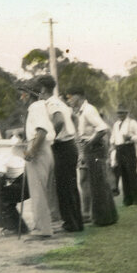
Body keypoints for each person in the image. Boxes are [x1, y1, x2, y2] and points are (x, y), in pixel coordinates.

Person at [64, 88, 118, 227]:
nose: (69, 100)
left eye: (70, 97)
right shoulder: (81, 112)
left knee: (98, 183)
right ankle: (103, 216)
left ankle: (103, 218)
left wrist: (90, 142)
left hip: (94, 149)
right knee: (92, 182)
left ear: (79, 96)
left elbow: (102, 128)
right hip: (89, 149)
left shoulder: (88, 110)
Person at [36, 75, 83, 232]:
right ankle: (75, 222)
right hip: (68, 145)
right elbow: (73, 118)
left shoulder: (51, 103)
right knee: (69, 186)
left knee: (65, 187)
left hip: (63, 147)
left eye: (39, 90)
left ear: (43, 89)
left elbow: (59, 121)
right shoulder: (59, 102)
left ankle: (71, 223)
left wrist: (51, 136)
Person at [17, 79, 56, 239]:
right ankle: (42, 226)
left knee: (38, 190)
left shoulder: (36, 107)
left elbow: (42, 131)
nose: (21, 98)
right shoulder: (39, 107)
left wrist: (32, 151)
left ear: (29, 94)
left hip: (39, 150)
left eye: (23, 94)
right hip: (41, 148)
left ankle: (43, 230)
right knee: (39, 190)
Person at [0, 138, 29, 235]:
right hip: (26, 179)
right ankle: (18, 226)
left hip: (25, 181)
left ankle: (14, 227)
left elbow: (1, 176)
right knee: (3, 194)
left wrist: (0, 186)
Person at [109, 105, 137, 207]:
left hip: (129, 149)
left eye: (122, 113)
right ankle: (127, 200)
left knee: (132, 174)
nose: (120, 115)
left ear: (126, 113)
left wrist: (131, 137)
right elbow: (113, 137)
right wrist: (112, 146)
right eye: (118, 113)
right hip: (119, 149)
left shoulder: (132, 123)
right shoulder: (116, 124)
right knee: (123, 174)